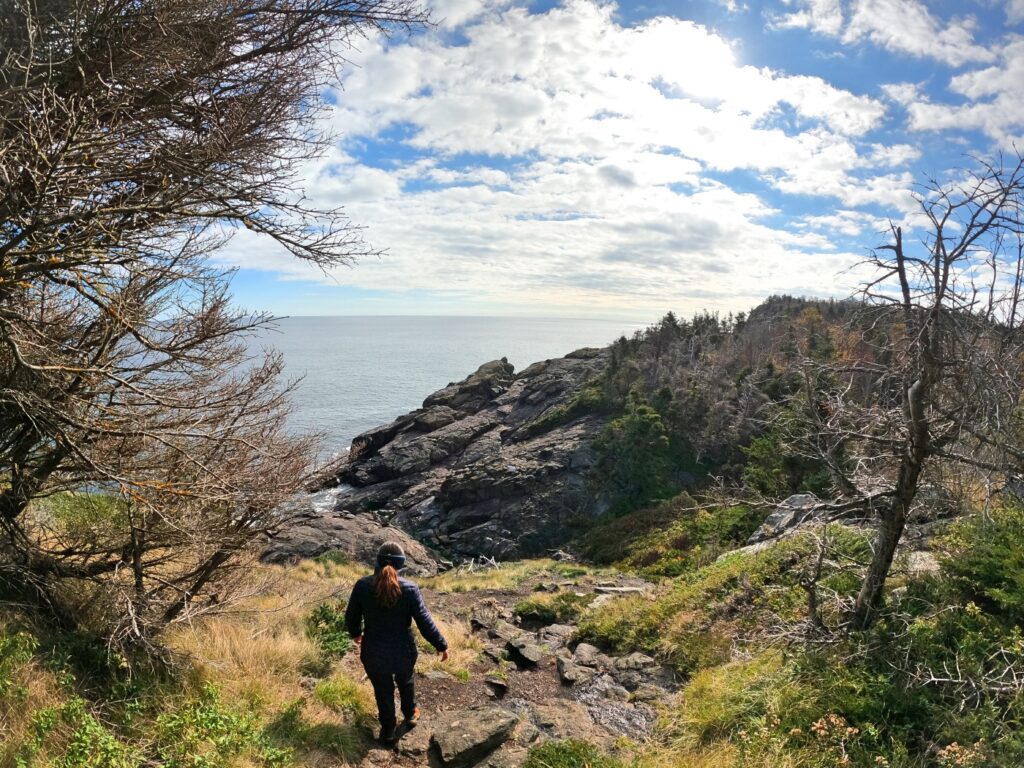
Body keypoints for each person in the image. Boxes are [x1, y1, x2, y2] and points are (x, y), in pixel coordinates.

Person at [345, 542, 449, 743]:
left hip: (373, 650)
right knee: (406, 680)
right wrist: (441, 645)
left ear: (377, 561)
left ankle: (388, 729)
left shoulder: (362, 586)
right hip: (404, 650)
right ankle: (410, 714)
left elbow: (351, 616)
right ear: (402, 564)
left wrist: (356, 634)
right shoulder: (410, 589)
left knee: (382, 690)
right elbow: (424, 621)